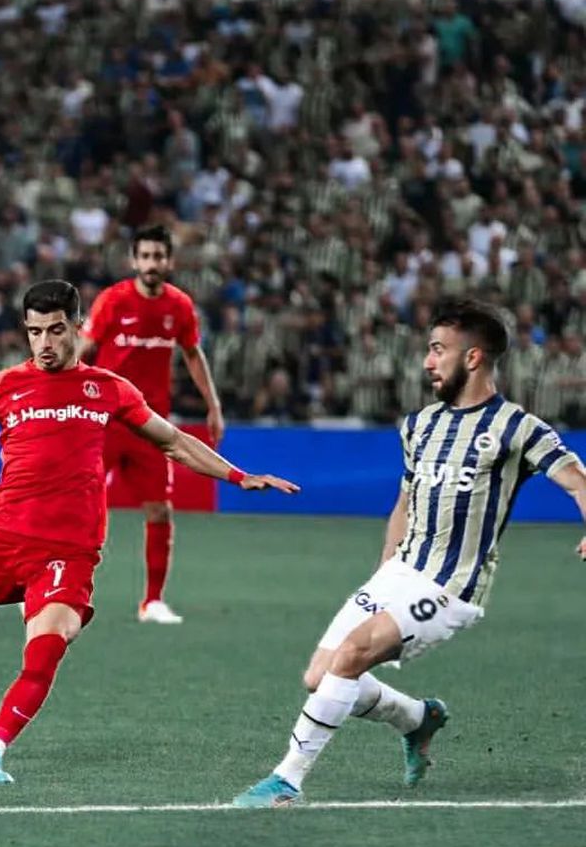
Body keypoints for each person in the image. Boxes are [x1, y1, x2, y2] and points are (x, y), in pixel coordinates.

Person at [0, 280, 298, 784]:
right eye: (34, 332)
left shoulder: (108, 389)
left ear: (77, 328)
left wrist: (239, 476)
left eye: (56, 330)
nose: (44, 342)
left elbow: (173, 442)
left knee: (46, 645)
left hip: (68, 551)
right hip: (0, 541)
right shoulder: (1, 387)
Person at [235, 298, 586, 808]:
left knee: (351, 656)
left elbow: (577, 481)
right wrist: (385, 571)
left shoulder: (518, 428)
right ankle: (419, 719)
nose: (427, 361)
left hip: (451, 586)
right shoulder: (419, 425)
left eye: (438, 349)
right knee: (319, 676)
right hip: (400, 573)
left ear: (473, 357)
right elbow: (405, 501)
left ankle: (285, 781)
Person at [78, 224, 225, 625]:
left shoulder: (179, 306)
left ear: (169, 261)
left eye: (158, 256)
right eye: (145, 256)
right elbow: (84, 351)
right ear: (134, 260)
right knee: (76, 505)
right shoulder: (112, 301)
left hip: (151, 426)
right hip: (105, 421)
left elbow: (193, 354)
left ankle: (152, 602)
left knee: (160, 510)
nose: (151, 263)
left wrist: (213, 405)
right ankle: (49, 587)